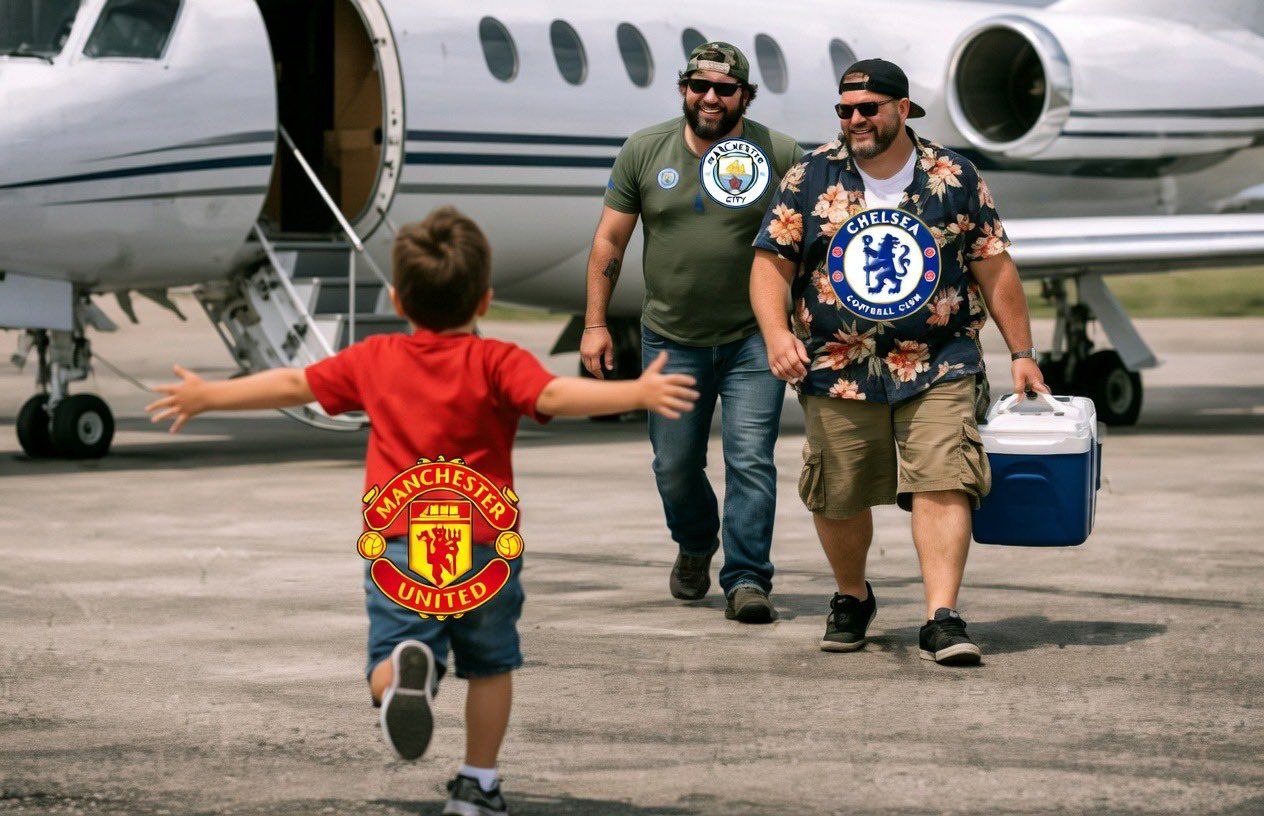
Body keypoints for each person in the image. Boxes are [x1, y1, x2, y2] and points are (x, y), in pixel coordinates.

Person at [145, 207, 698, 815]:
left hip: (403, 543)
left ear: (396, 298)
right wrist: (636, 391)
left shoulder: (375, 358)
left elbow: (292, 385)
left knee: (390, 656)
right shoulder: (497, 362)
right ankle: (477, 784)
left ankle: (405, 677)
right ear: (484, 299)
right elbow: (554, 395)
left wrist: (207, 395)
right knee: (490, 667)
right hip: (484, 546)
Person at [749, 59, 1048, 665]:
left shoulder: (953, 175)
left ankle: (942, 615)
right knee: (837, 492)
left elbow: (994, 265)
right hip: (835, 364)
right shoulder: (810, 176)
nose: (855, 119)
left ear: (903, 109)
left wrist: (1022, 352)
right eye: (845, 110)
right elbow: (770, 264)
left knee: (944, 478)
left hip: (939, 361)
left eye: (868, 108)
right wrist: (777, 334)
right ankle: (852, 597)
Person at [581, 42, 801, 623]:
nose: (710, 98)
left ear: (744, 98)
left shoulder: (778, 153)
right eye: (698, 86)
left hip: (754, 337)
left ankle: (748, 577)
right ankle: (698, 542)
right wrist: (596, 323)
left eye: (724, 90)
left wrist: (802, 323)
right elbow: (609, 241)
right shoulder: (644, 150)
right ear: (683, 89)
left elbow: (816, 235)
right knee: (673, 466)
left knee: (751, 458)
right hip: (671, 337)